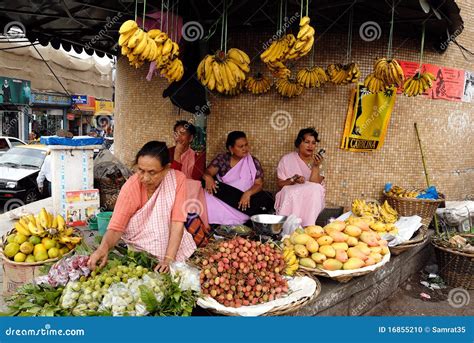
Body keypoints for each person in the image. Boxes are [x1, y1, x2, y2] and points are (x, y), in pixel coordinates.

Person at [88, 141, 196, 272]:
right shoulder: (131, 186)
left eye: (152, 172)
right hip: (142, 256)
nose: (145, 178)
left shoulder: (177, 180)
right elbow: (116, 227)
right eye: (141, 170)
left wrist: (168, 259)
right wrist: (102, 249)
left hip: (175, 251)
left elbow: (177, 223)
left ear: (167, 169)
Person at [203, 131, 274, 225]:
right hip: (225, 197)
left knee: (267, 198)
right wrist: (208, 177)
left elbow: (258, 184)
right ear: (231, 148)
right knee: (206, 190)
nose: (245, 149)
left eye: (246, 145)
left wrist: (248, 193)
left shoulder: (253, 161)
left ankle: (241, 219)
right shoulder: (222, 159)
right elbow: (207, 172)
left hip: (244, 200)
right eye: (241, 146)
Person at [274, 128, 325, 227]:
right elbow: (280, 185)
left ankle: (308, 225)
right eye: (307, 142)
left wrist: (315, 166)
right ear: (299, 143)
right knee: (289, 191)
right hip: (291, 192)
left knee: (316, 188)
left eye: (313, 143)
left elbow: (315, 185)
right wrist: (293, 179)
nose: (310, 146)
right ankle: (289, 226)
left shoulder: (319, 161)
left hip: (310, 196)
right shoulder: (287, 159)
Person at [169, 120, 209, 229]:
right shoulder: (168, 153)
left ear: (190, 138)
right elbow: (171, 178)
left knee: (195, 186)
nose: (178, 137)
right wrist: (177, 154)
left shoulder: (198, 156)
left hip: (190, 195)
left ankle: (193, 225)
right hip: (169, 191)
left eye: (182, 134)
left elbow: (196, 179)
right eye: (176, 133)